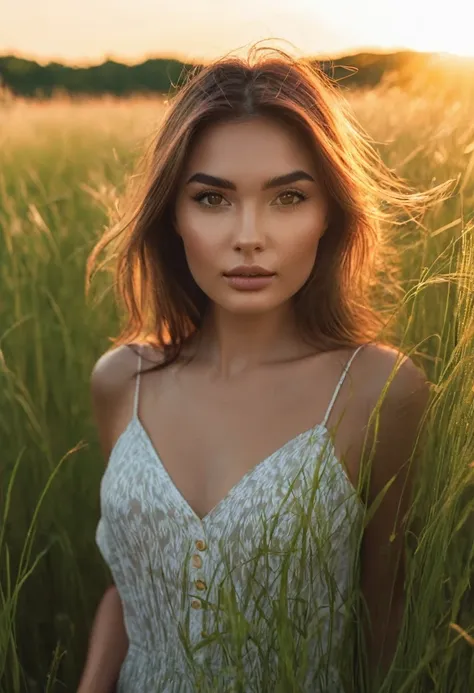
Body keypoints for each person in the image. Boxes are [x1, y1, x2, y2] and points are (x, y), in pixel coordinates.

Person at [78, 44, 433, 693]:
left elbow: (387, 616)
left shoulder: (379, 391)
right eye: (213, 199)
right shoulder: (121, 381)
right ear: (173, 216)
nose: (249, 234)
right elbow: (128, 586)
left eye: (288, 197)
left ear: (330, 213)